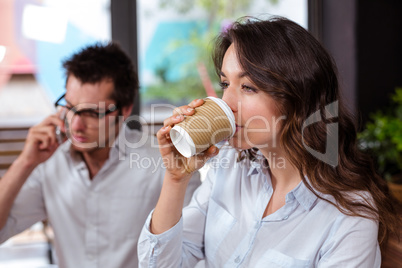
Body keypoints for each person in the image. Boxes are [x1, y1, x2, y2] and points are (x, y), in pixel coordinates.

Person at [137, 17, 400, 267]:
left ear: (298, 97)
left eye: (248, 87)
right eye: (225, 84)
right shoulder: (229, 166)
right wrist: (175, 179)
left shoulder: (350, 218)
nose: (226, 103)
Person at [0, 42, 200, 268]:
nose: (75, 125)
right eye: (69, 107)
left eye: (92, 113)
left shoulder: (166, 165)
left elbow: (188, 255)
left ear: (125, 110)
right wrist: (24, 162)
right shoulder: (49, 161)